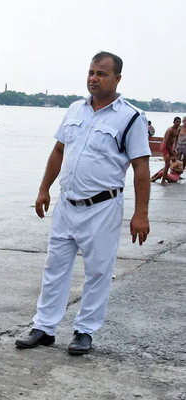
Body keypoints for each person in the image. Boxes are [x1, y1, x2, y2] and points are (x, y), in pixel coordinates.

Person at [15, 51, 150, 355]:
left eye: (101, 73)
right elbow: (59, 151)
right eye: (91, 72)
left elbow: (142, 167)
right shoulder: (75, 109)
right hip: (67, 204)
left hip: (103, 206)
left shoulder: (130, 117)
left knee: (98, 271)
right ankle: (44, 327)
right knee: (55, 267)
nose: (93, 78)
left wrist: (141, 214)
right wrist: (43, 189)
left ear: (117, 78)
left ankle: (85, 330)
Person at [157, 117, 181, 185]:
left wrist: (174, 148)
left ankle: (160, 177)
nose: (178, 123)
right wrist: (170, 151)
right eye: (177, 122)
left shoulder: (178, 130)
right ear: (174, 122)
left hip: (170, 146)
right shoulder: (170, 130)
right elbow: (167, 142)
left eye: (179, 122)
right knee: (167, 164)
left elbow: (176, 140)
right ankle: (163, 181)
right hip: (165, 146)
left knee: (167, 164)